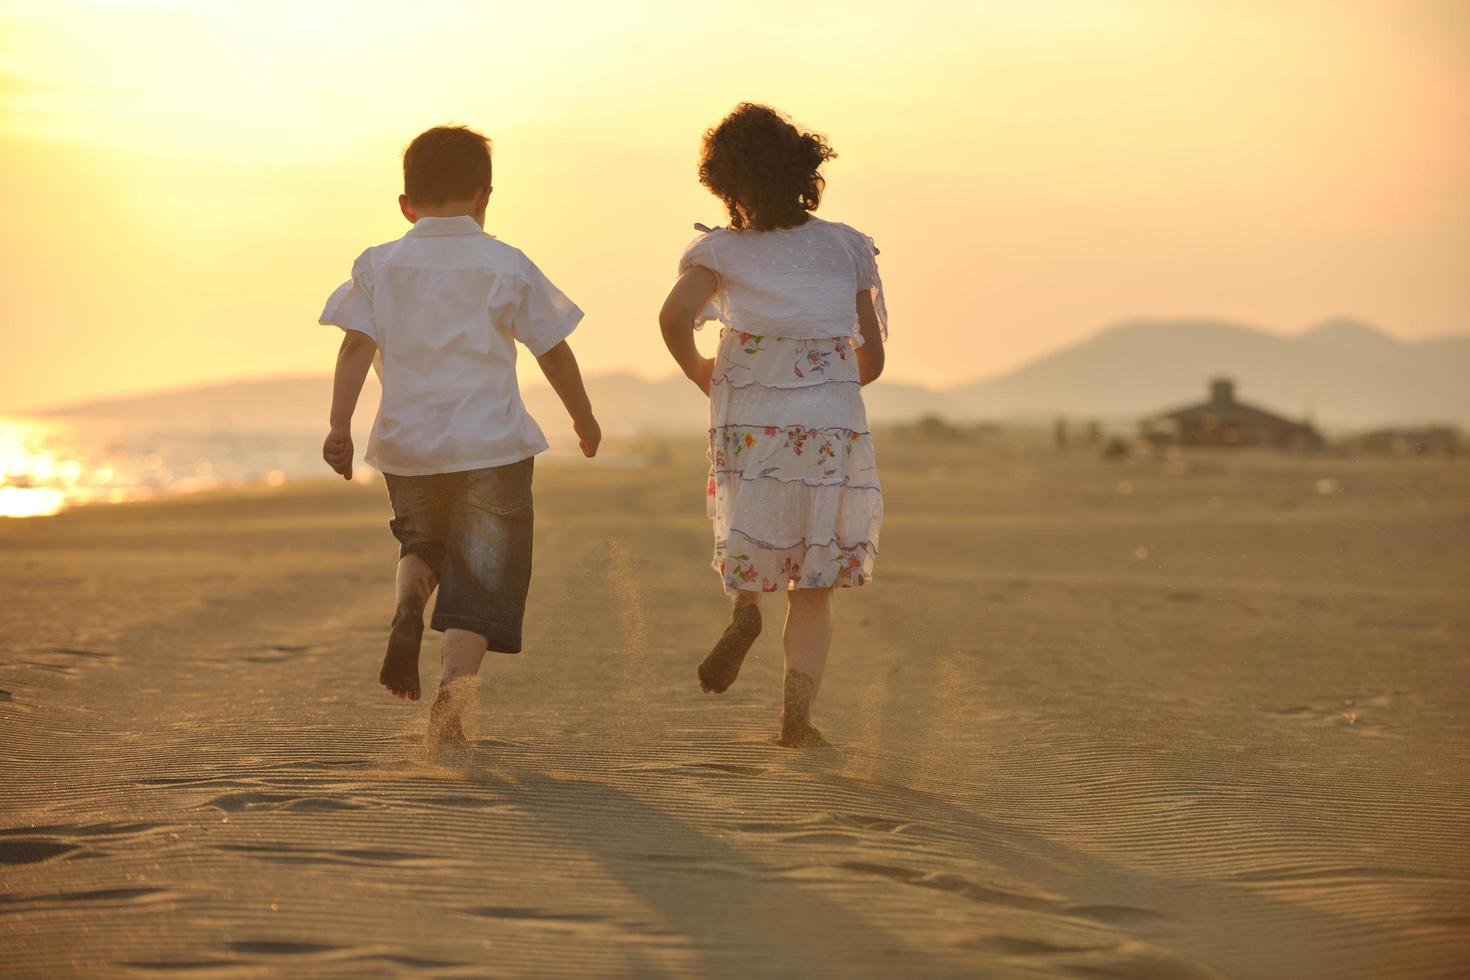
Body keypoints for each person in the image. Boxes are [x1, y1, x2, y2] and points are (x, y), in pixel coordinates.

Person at [318, 124, 600, 742]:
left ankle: (406, 610)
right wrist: (581, 415)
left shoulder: (378, 265)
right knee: (483, 575)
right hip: (492, 446)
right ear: (485, 197)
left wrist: (339, 425)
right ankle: (450, 702)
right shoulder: (506, 263)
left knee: (421, 544)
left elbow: (354, 348)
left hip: (409, 446)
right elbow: (551, 350)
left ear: (405, 204)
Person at [658, 103, 887, 748]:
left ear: (725, 184)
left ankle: (745, 609)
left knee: (753, 524)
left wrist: (705, 372)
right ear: (802, 171)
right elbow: (871, 356)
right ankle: (797, 717)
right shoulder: (847, 247)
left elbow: (672, 318)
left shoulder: (718, 251)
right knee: (814, 579)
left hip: (751, 410)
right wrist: (829, 385)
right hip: (827, 417)